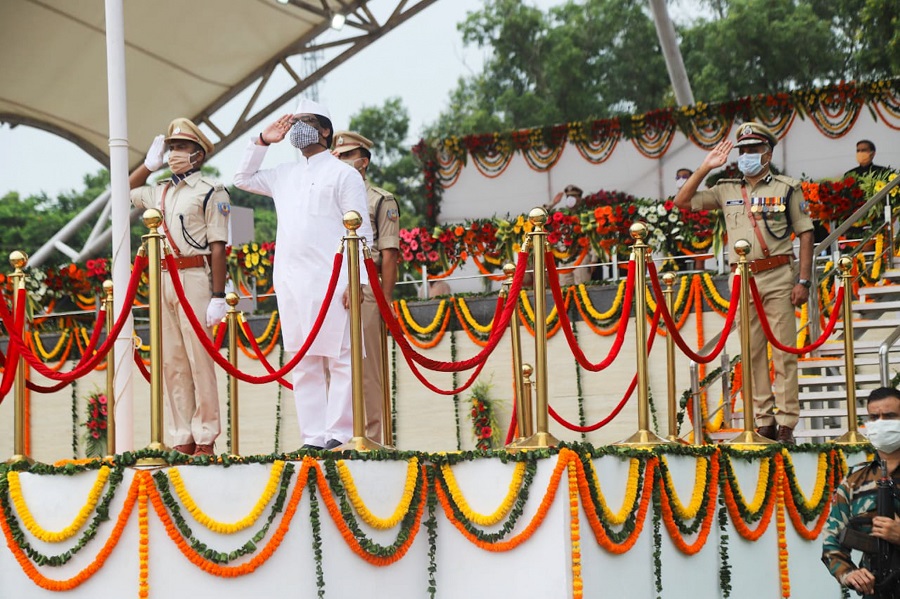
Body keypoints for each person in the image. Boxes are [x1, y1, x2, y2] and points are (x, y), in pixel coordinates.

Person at [233, 98, 373, 451]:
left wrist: (358, 281)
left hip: (334, 280)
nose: (298, 128)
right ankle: (312, 438)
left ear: (325, 130)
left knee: (341, 357)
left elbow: (362, 232)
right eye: (294, 123)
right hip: (292, 282)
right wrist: (263, 141)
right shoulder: (284, 174)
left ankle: (339, 434)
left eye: (306, 121)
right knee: (303, 360)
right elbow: (241, 178)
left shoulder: (344, 174)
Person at [674, 122, 814, 445]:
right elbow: (682, 201)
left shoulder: (786, 187)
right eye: (743, 151)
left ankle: (786, 422)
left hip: (779, 275)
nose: (747, 156)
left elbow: (806, 232)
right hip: (744, 278)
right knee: (751, 353)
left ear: (768, 151)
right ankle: (763, 419)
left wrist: (803, 280)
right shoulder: (726, 189)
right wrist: (706, 167)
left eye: (754, 149)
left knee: (784, 352)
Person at [129, 118, 230, 456]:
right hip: (163, 279)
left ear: (198, 155)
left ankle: (206, 436)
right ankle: (181, 435)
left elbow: (218, 245)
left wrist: (218, 295)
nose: (174, 154)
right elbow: (121, 191)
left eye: (181, 148)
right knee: (172, 361)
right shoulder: (159, 189)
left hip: (195, 277)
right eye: (171, 148)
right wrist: (147, 165)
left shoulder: (211, 191)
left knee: (199, 359)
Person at [332, 131, 400, 444]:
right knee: (337, 364)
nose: (341, 161)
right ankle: (341, 435)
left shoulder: (380, 200)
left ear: (364, 161)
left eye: (347, 155)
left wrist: (385, 300)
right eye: (338, 155)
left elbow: (388, 253)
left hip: (368, 284)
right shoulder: (332, 198)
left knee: (369, 367)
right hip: (334, 285)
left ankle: (374, 437)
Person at [822, 386, 900, 597]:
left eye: (890, 416)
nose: (881, 423)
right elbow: (832, 542)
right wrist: (849, 574)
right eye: (874, 417)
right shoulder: (855, 479)